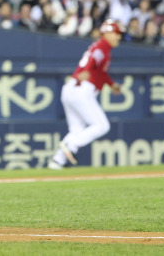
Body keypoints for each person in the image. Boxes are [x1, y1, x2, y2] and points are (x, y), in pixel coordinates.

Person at [48, 19, 126, 169]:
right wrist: (85, 71)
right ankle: (71, 146)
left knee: (76, 130)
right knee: (102, 126)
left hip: (71, 88)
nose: (119, 37)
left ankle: (57, 161)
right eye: (116, 33)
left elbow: (100, 72)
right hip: (81, 88)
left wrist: (110, 85)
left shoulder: (101, 47)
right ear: (108, 33)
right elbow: (92, 59)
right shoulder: (102, 46)